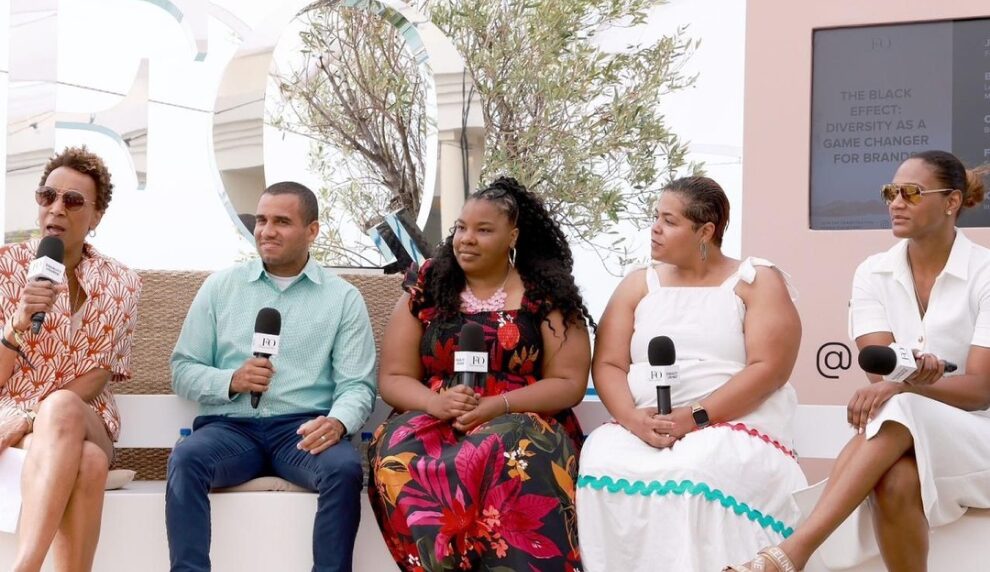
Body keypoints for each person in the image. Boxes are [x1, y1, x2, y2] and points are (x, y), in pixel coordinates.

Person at [728, 150, 990, 572]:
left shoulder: (986, 273)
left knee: (899, 402)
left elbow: (980, 390)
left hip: (982, 438)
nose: (896, 202)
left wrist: (908, 385)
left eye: (911, 192)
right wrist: (907, 383)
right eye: (890, 192)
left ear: (952, 202)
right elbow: (879, 371)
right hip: (907, 430)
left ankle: (793, 551)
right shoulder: (873, 273)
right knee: (895, 478)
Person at [578, 176, 807, 571]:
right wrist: (633, 420)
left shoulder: (756, 280)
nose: (654, 228)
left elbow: (770, 368)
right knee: (601, 460)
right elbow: (609, 363)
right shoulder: (638, 284)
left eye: (669, 220)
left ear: (706, 230)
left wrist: (696, 416)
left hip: (732, 421)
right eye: (655, 217)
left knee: (695, 468)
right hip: (644, 423)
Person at [368, 177, 594, 571]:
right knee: (400, 454)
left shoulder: (543, 290)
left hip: (520, 415)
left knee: (505, 451)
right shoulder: (428, 284)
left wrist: (498, 405)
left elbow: (569, 383)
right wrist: (434, 402)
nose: (466, 239)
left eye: (483, 230)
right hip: (436, 413)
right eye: (461, 228)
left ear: (513, 236)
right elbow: (394, 376)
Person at [166, 181, 376, 572]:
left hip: (302, 430)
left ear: (312, 231)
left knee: (344, 469)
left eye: (282, 221)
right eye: (261, 220)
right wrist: (231, 380)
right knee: (187, 459)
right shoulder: (220, 288)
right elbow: (183, 369)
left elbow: (357, 385)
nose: (266, 230)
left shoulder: (342, 298)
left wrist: (337, 422)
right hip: (231, 431)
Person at [0, 146, 142, 572]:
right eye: (48, 196)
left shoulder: (122, 282)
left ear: (96, 216)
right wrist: (17, 323)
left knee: (63, 407)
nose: (57, 208)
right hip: (12, 422)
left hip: (85, 417)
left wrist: (33, 416)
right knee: (89, 462)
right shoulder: (6, 268)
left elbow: (98, 374)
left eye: (74, 200)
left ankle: (26, 565)